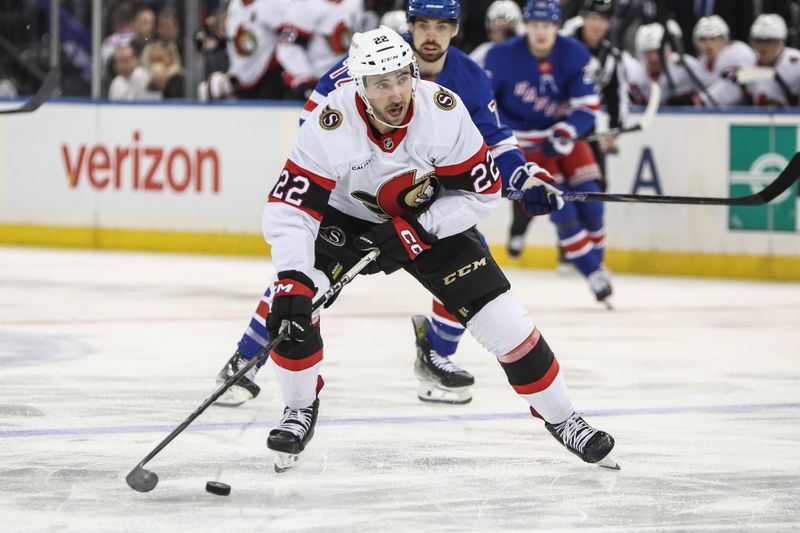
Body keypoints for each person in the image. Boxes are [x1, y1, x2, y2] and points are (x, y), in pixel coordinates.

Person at [258, 25, 617, 472]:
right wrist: (292, 276)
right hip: (343, 221)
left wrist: (420, 229)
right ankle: (298, 408)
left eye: (403, 78)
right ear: (358, 85)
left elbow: (481, 194)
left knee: (507, 324)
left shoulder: (444, 112)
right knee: (291, 304)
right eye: (381, 83)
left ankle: (566, 420)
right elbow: (291, 209)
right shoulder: (329, 120)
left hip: (428, 219)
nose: (397, 93)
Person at [217, 0, 553, 407]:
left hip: (421, 193)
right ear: (409, 26)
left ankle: (436, 356)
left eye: (442, 26)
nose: (431, 35)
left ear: (456, 30)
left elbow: (495, 140)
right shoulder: (364, 66)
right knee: (303, 273)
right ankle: (248, 356)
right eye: (422, 25)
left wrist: (523, 176)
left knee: (467, 253)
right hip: (355, 196)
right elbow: (315, 128)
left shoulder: (472, 77)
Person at [486, 0, 614, 305]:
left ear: (557, 27)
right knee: (562, 209)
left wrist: (567, 131)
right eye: (535, 26)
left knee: (592, 202)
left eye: (547, 26)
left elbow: (586, 107)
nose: (541, 32)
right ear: (525, 26)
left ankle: (597, 261)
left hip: (562, 139)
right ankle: (593, 273)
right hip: (524, 144)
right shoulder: (500, 56)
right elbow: (484, 106)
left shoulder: (574, 52)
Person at [206, 0, 291, 100]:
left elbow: (291, 35)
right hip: (242, 83)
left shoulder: (273, 4)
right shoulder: (234, 5)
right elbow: (236, 41)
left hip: (269, 79)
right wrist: (232, 78)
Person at [275, 0, 353, 99]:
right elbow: (288, 48)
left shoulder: (354, 5)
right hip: (314, 83)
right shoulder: (306, 7)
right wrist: (303, 76)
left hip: (343, 81)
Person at [626, 22, 706, 105]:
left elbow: (707, 92)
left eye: (656, 52)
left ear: (667, 50)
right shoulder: (637, 74)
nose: (653, 58)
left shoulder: (685, 65)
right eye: (648, 52)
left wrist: (693, 99)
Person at [690, 15, 755, 106]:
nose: (708, 45)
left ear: (724, 40)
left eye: (713, 39)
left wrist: (702, 100)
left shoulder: (736, 53)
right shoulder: (698, 64)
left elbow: (733, 90)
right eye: (703, 40)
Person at [745, 14, 800, 107]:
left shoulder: (796, 63)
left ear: (780, 42)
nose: (763, 47)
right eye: (758, 41)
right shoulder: (748, 65)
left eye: (769, 41)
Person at [469, 0, 525, 67]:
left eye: (504, 30)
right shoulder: (483, 51)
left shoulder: (526, 52)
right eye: (494, 25)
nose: (498, 33)